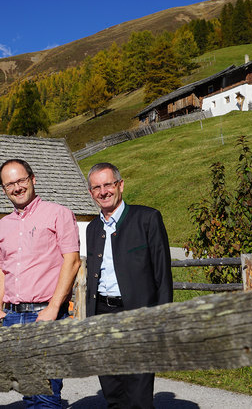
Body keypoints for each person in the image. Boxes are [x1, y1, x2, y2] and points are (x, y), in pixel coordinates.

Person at [0, 159, 81, 408]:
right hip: (13, 318)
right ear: (4, 189)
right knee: (27, 389)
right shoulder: (3, 225)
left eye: (21, 180)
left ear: (33, 179)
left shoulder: (58, 213)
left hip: (44, 316)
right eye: (10, 184)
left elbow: (71, 262)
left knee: (45, 392)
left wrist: (53, 308)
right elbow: (2, 270)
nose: (17, 187)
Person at [85, 162, 173, 409]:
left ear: (120, 185)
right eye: (96, 187)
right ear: (91, 193)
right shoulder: (92, 229)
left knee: (138, 394)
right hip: (103, 313)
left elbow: (162, 275)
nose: (103, 192)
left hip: (138, 314)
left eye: (108, 185)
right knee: (112, 390)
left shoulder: (147, 219)